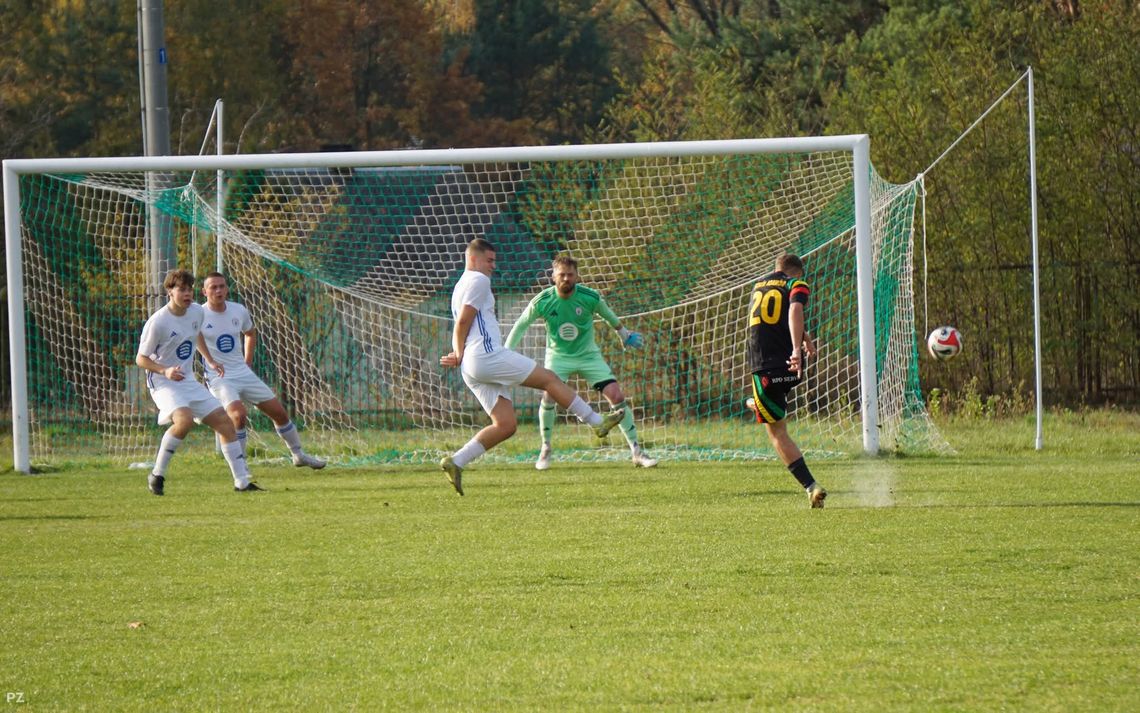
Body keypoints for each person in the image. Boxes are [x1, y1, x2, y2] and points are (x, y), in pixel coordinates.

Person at [438, 239, 625, 495]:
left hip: (472, 365)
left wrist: (460, 354)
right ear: (473, 259)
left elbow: (461, 325)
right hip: (485, 355)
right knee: (550, 379)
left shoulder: (459, 285)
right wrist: (459, 353)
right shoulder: (478, 280)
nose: (493, 266)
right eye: (489, 260)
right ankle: (596, 422)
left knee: (505, 425)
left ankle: (456, 461)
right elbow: (462, 322)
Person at [505, 255, 657, 470]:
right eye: (562, 275)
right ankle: (546, 448)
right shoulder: (542, 301)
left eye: (570, 274)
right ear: (553, 276)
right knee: (549, 396)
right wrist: (506, 353)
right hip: (558, 357)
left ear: (577, 276)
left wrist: (624, 334)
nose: (566, 278)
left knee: (616, 396)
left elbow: (609, 316)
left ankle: (637, 452)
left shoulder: (589, 297)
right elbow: (521, 325)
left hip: (588, 356)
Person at [136, 269, 262, 495]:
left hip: (187, 380)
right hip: (163, 382)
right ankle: (157, 474)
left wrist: (210, 360)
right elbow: (141, 359)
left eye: (189, 289)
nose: (187, 294)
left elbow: (197, 334)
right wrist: (165, 371)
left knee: (224, 422)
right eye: (181, 289)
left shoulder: (196, 312)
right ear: (169, 292)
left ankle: (242, 482)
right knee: (184, 420)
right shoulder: (158, 322)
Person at [197, 272, 326, 470]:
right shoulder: (199, 314)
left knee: (279, 413)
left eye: (222, 286)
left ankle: (298, 455)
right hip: (219, 377)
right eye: (213, 287)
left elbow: (250, 333)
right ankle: (241, 467)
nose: (218, 290)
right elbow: (194, 337)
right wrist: (210, 361)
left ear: (227, 288)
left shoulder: (238, 310)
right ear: (204, 291)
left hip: (242, 372)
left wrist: (247, 362)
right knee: (238, 415)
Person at [746, 253, 826, 508]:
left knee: (777, 432)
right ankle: (755, 404)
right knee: (769, 408)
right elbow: (793, 309)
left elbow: (785, 314)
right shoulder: (795, 284)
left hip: (764, 369)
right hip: (789, 369)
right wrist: (800, 345)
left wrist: (798, 345)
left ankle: (811, 487)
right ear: (797, 272)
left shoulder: (758, 286)